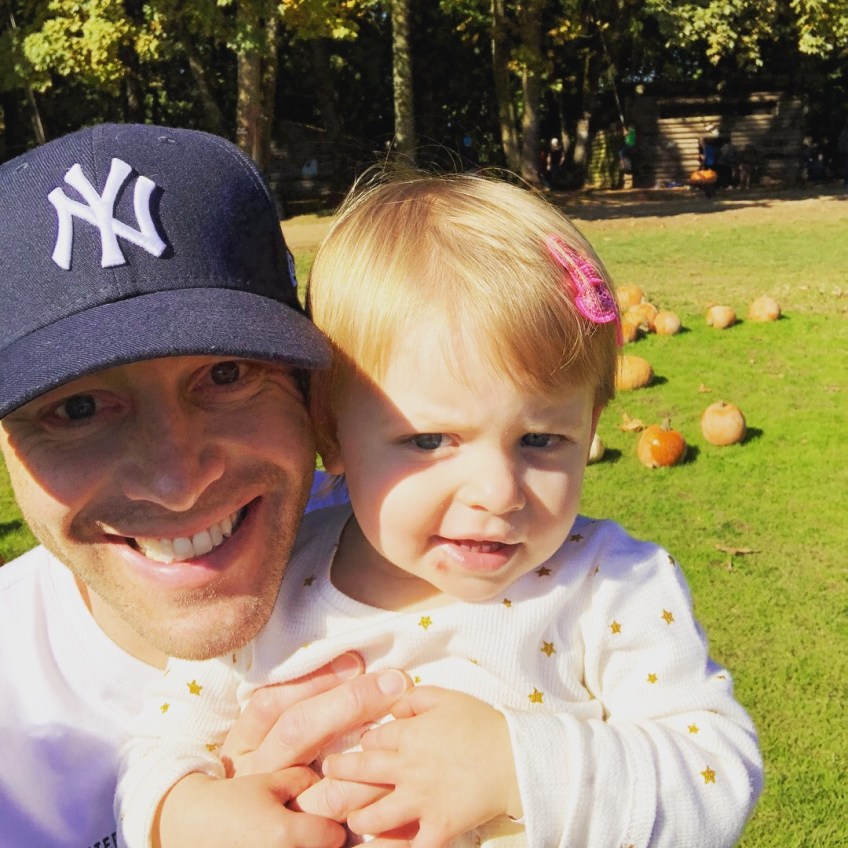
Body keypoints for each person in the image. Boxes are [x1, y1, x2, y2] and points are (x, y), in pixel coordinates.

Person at [118, 173, 763, 848]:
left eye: (542, 439)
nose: (499, 491)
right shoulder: (272, 580)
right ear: (331, 433)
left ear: (590, 425)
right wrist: (183, 816)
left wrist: (516, 767)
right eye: (429, 441)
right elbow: (159, 746)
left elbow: (717, 774)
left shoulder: (611, 586)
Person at [0, 122, 415, 848]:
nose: (175, 483)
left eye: (226, 374)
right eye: (77, 409)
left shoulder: (464, 561)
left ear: (310, 391)